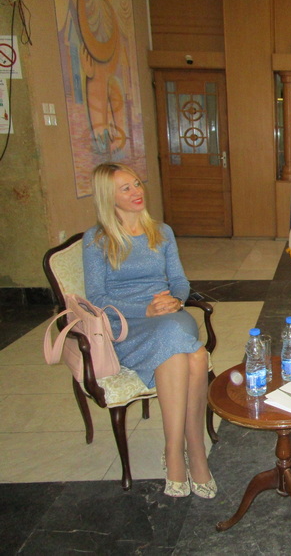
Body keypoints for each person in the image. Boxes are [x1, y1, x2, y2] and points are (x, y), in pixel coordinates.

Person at [82, 162, 216, 499]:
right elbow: (96, 299)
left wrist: (175, 300)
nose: (136, 191)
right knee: (194, 357)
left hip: (170, 314)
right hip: (127, 324)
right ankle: (186, 451)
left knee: (174, 333)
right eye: (125, 188)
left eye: (137, 184)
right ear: (108, 197)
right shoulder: (96, 240)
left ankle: (186, 452)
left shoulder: (162, 231)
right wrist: (144, 309)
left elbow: (180, 281)